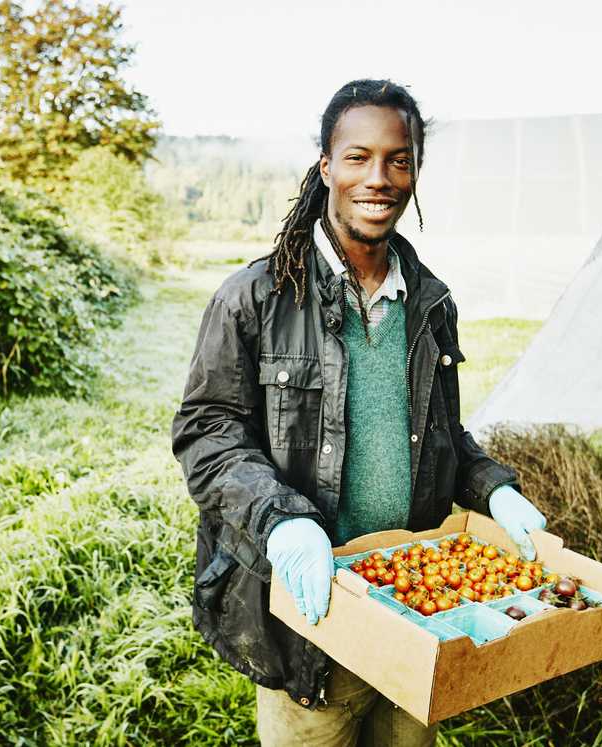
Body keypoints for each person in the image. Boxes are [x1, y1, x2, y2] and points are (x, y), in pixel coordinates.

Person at [171, 79, 547, 747]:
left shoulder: (430, 302)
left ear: (416, 171)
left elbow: (442, 436)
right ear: (326, 167)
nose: (380, 178)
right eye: (358, 157)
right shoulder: (255, 298)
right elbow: (208, 434)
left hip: (415, 612)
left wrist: (496, 490)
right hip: (312, 625)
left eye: (399, 159)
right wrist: (281, 522)